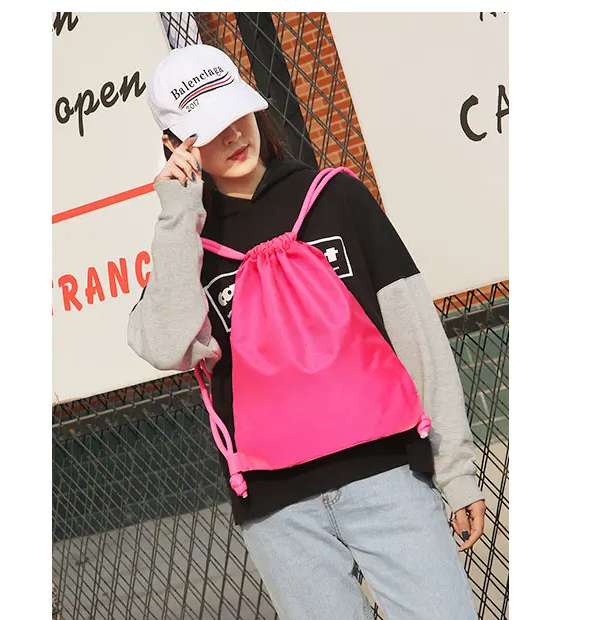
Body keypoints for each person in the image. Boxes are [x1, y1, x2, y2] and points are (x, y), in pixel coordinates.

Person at [128, 43, 485, 620]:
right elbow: (166, 344)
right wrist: (176, 216)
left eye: (237, 114)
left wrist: (456, 470)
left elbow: (415, 330)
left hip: (386, 470)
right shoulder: (188, 243)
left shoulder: (336, 197)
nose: (234, 135)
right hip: (279, 511)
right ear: (176, 146)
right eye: (209, 128)